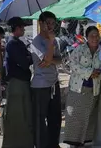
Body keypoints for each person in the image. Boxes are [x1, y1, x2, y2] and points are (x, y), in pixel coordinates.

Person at [63, 26, 101, 147]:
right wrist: (89, 72)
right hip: (78, 89)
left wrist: (98, 73)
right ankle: (73, 143)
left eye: (97, 36)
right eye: (92, 36)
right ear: (86, 37)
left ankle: (86, 142)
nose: (95, 38)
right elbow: (73, 65)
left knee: (89, 117)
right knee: (75, 116)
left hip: (93, 89)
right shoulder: (80, 49)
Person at [30, 12, 62, 148]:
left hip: (54, 83)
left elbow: (59, 60)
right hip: (40, 85)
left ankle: (53, 144)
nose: (50, 26)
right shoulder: (36, 42)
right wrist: (49, 44)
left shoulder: (55, 40)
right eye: (47, 23)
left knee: (55, 117)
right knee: (40, 119)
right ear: (40, 23)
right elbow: (47, 59)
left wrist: (50, 60)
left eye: (52, 23)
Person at [2, 17, 34, 148]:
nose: (24, 29)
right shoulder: (12, 44)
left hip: (22, 83)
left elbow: (28, 58)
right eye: (21, 27)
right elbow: (25, 62)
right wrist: (29, 57)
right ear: (16, 28)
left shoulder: (17, 43)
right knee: (17, 116)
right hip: (17, 84)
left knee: (25, 115)